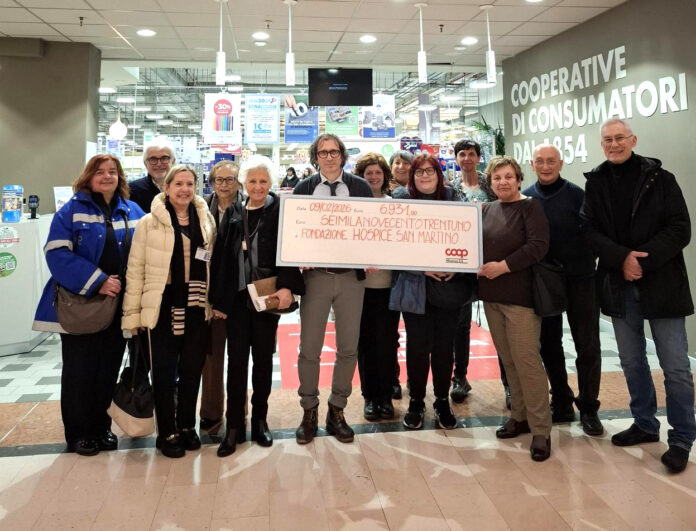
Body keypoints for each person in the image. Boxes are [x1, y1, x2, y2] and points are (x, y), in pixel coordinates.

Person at [581, 118, 695, 473]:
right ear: (602, 144)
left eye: (620, 138)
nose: (614, 144)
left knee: (676, 366)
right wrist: (621, 258)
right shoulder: (595, 182)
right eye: (607, 140)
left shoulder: (661, 179)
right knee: (631, 361)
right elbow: (588, 229)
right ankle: (645, 423)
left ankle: (682, 438)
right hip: (618, 284)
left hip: (662, 284)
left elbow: (680, 228)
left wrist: (640, 261)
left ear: (633, 140)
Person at [33, 154, 144, 456]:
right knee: (80, 371)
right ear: (88, 177)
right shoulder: (70, 211)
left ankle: (101, 428)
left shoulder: (132, 210)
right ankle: (79, 433)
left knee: (108, 369)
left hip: (117, 306)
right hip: (81, 306)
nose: (107, 176)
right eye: (100, 172)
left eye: (112, 172)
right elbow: (57, 254)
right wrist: (98, 281)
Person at [210, 155, 304, 456]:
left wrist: (288, 286)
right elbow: (222, 257)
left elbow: (289, 251)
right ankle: (234, 425)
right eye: (252, 181)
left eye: (263, 181)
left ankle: (260, 419)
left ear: (271, 182)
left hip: (267, 298)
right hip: (238, 299)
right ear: (244, 183)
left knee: (263, 360)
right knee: (236, 362)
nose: (258, 186)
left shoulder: (280, 211)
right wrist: (219, 300)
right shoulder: (234, 212)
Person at [122, 165, 216, 459]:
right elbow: (135, 270)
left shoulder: (205, 219)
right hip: (162, 305)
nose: (184, 189)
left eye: (190, 184)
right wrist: (132, 316)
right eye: (178, 184)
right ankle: (167, 431)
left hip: (197, 304)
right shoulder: (148, 223)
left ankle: (186, 425)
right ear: (167, 187)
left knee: (191, 370)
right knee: (163, 372)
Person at [292, 133, 373, 444]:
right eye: (323, 152)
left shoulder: (360, 187)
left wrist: (374, 254)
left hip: (351, 278)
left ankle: (337, 409)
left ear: (342, 155)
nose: (329, 157)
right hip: (316, 278)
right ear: (316, 157)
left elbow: (372, 228)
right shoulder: (303, 188)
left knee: (349, 347)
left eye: (334, 151)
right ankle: (309, 410)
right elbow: (294, 230)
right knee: (309, 349)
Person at [524, 144, 603, 435]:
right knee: (549, 344)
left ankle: (589, 407)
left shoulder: (578, 195)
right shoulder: (526, 198)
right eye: (540, 161)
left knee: (587, 345)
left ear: (560, 163)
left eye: (551, 161)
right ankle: (561, 400)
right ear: (532, 164)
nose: (545, 166)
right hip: (545, 282)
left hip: (581, 279)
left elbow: (594, 234)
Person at [478, 155, 552, 462]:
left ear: (519, 179)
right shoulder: (486, 210)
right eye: (497, 178)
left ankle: (541, 430)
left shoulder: (531, 207)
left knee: (527, 362)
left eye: (509, 176)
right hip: (492, 296)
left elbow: (538, 246)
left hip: (520, 299)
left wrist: (503, 267)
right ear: (490, 182)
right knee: (509, 361)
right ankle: (519, 417)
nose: (503, 182)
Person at [399, 153, 463, 431]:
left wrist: (458, 267)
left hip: (448, 287)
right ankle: (416, 400)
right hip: (415, 287)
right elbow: (394, 247)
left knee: (444, 347)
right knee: (417, 346)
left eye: (430, 170)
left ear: (439, 174)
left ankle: (441, 400)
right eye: (419, 171)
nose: (425, 175)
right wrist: (421, 268)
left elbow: (466, 240)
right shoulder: (401, 202)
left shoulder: (454, 200)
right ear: (412, 176)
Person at [449, 139, 507, 406]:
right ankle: (460, 377)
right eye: (462, 154)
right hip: (462, 263)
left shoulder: (491, 185)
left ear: (478, 157)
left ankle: (509, 382)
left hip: (493, 260)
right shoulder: (450, 189)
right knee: (460, 324)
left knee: (502, 324)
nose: (467, 158)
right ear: (456, 159)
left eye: (471, 154)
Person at [353, 153, 400, 421]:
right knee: (365, 343)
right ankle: (369, 397)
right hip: (359, 287)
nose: (373, 177)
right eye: (368, 173)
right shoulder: (354, 206)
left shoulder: (393, 205)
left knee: (387, 342)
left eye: (377, 172)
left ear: (385, 176)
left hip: (387, 286)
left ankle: (385, 396)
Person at [199, 160, 243, 435]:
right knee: (211, 357)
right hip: (209, 293)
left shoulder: (249, 207)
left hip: (240, 294)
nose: (224, 185)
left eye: (230, 180)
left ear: (238, 183)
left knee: (239, 358)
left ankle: (239, 411)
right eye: (219, 179)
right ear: (212, 182)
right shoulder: (201, 208)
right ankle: (211, 412)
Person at [129, 143, 176, 213]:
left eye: (164, 158)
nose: (159, 164)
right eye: (153, 159)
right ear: (145, 164)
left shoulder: (182, 187)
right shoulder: (132, 190)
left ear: (173, 161)